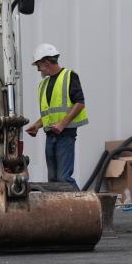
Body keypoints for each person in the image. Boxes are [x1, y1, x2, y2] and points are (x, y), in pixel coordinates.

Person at [25, 43, 88, 190]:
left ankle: (82, 205)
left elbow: (79, 103)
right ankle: (59, 210)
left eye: (38, 65)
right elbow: (50, 113)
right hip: (51, 135)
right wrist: (37, 125)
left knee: (63, 178)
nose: (38, 69)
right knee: (53, 179)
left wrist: (62, 124)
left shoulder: (69, 76)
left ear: (46, 62)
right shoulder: (44, 84)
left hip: (65, 134)